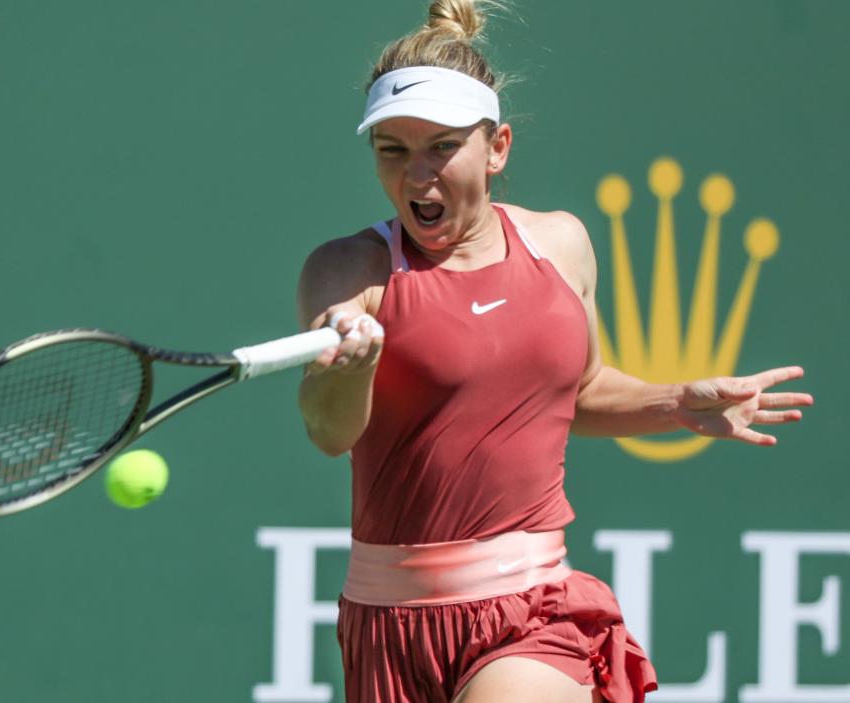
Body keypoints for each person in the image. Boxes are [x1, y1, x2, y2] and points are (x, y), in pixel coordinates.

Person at [296, 2, 813, 701]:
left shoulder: (560, 244)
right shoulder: (347, 270)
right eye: (392, 149)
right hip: (389, 626)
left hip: (532, 614)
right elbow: (330, 432)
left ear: (497, 146)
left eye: (441, 146)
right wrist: (345, 369)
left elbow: (581, 388)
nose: (417, 175)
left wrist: (674, 401)